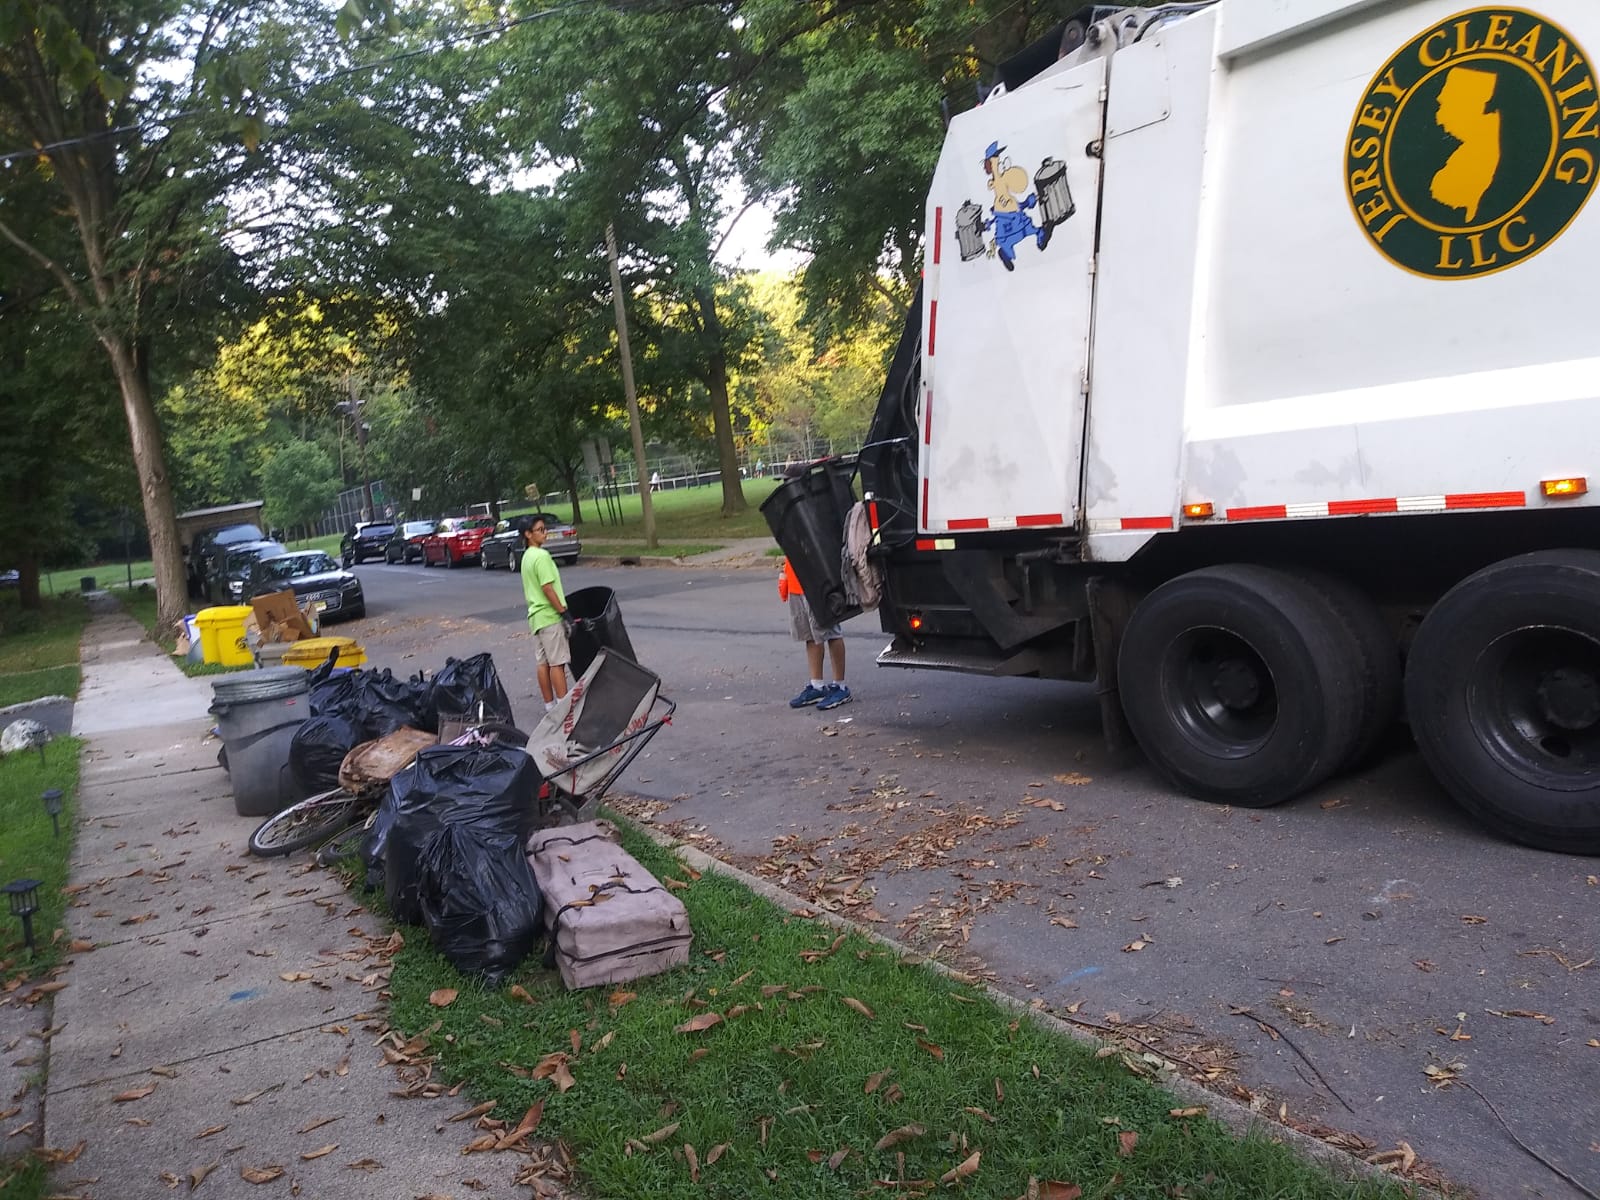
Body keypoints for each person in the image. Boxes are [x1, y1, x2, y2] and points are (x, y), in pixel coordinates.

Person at [780, 555, 850, 711]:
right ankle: (817, 685)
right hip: (796, 579)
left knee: (831, 631)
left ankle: (840, 686)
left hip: (818, 581)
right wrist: (784, 574)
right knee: (810, 635)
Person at [520, 516, 571, 709]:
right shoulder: (541, 556)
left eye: (544, 529)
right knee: (557, 663)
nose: (545, 533)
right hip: (549, 616)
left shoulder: (527, 557)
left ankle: (549, 705)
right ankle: (563, 707)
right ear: (528, 534)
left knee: (543, 663)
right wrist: (563, 612)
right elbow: (547, 588)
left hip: (535, 617)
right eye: (540, 530)